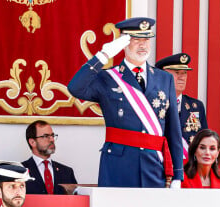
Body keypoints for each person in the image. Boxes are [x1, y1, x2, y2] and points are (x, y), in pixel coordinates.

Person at [68, 17, 183, 188]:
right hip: (118, 166)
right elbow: (75, 88)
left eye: (146, 39)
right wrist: (103, 56)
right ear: (123, 43)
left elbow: (173, 128)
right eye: (136, 40)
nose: (143, 45)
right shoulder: (108, 77)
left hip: (153, 166)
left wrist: (177, 175)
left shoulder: (164, 78)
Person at [155, 53, 208, 160]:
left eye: (184, 73)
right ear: (163, 75)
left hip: (189, 168)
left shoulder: (196, 107)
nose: (182, 77)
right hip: (162, 165)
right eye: (177, 73)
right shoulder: (155, 104)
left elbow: (204, 140)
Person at [22, 120, 77, 194]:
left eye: (52, 135)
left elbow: (75, 201)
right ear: (32, 142)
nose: (52, 139)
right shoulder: (21, 171)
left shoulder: (67, 172)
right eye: (46, 136)